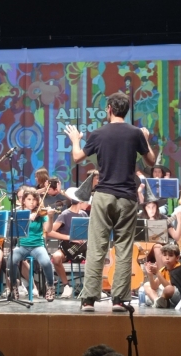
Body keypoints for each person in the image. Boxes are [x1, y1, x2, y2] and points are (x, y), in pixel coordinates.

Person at [64, 91, 156, 312]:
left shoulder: (98, 133)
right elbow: (151, 162)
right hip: (127, 197)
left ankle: (89, 299)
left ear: (110, 109)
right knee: (124, 248)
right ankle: (119, 300)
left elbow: (77, 157)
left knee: (97, 247)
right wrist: (146, 140)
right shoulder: (135, 133)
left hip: (103, 195)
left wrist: (75, 140)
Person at [48, 177, 92, 299]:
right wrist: (69, 237)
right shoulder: (65, 214)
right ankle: (67, 286)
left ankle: (94, 287)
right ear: (80, 201)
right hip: (67, 248)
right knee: (56, 257)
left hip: (81, 248)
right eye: (86, 201)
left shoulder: (84, 214)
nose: (88, 204)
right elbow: (49, 232)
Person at [8, 188, 55, 301]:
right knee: (11, 261)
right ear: (23, 201)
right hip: (21, 246)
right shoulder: (18, 213)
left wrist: (50, 217)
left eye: (34, 200)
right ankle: (14, 286)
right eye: (29, 199)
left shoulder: (41, 214)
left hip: (37, 246)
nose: (32, 202)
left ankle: (50, 285)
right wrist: (26, 218)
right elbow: (13, 230)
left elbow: (48, 229)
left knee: (46, 262)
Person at [144, 244, 181, 308]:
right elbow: (154, 287)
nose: (167, 258)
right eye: (164, 255)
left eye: (170, 255)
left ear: (177, 258)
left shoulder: (178, 270)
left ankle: (159, 302)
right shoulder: (164, 269)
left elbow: (169, 288)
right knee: (146, 285)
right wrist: (150, 275)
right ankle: (157, 301)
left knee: (168, 289)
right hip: (167, 296)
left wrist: (157, 272)